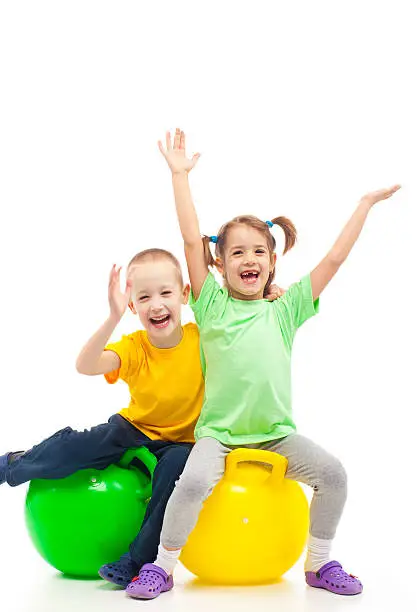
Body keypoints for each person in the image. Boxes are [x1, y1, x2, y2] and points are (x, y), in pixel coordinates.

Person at [126, 128, 401, 599]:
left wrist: (363, 205)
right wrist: (180, 177)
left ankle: (318, 564)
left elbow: (334, 259)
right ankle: (163, 566)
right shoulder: (210, 305)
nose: (248, 259)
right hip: (218, 435)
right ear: (221, 263)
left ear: (272, 262)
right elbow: (191, 242)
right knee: (190, 484)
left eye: (258, 252)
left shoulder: (286, 308)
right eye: (237, 252)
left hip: (275, 434)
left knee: (333, 474)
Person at [0, 246, 285, 586]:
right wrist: (112, 317)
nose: (157, 304)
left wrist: (267, 298)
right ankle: (15, 463)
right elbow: (86, 365)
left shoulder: (204, 338)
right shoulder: (134, 346)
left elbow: (244, 325)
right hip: (133, 429)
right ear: (134, 305)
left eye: (166, 293)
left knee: (171, 483)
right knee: (78, 445)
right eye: (144, 297)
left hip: (182, 442)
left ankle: (136, 561)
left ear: (184, 296)